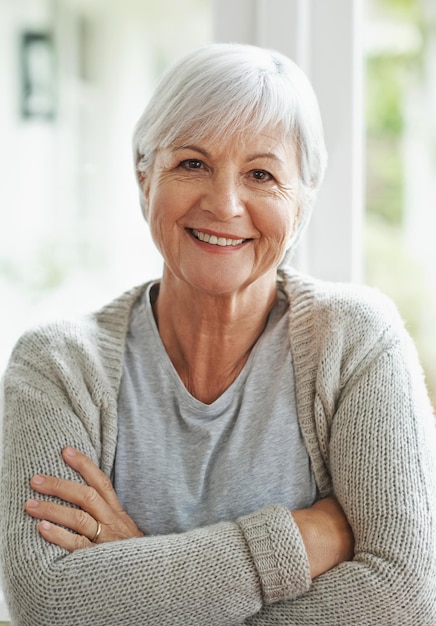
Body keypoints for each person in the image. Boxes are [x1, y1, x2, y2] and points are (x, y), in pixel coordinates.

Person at [1, 43, 435, 626]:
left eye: (261, 174)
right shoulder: (55, 366)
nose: (225, 203)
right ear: (143, 175)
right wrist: (302, 539)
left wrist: (134, 571)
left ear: (302, 203)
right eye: (192, 164)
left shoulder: (356, 342)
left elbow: (404, 597)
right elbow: (48, 602)